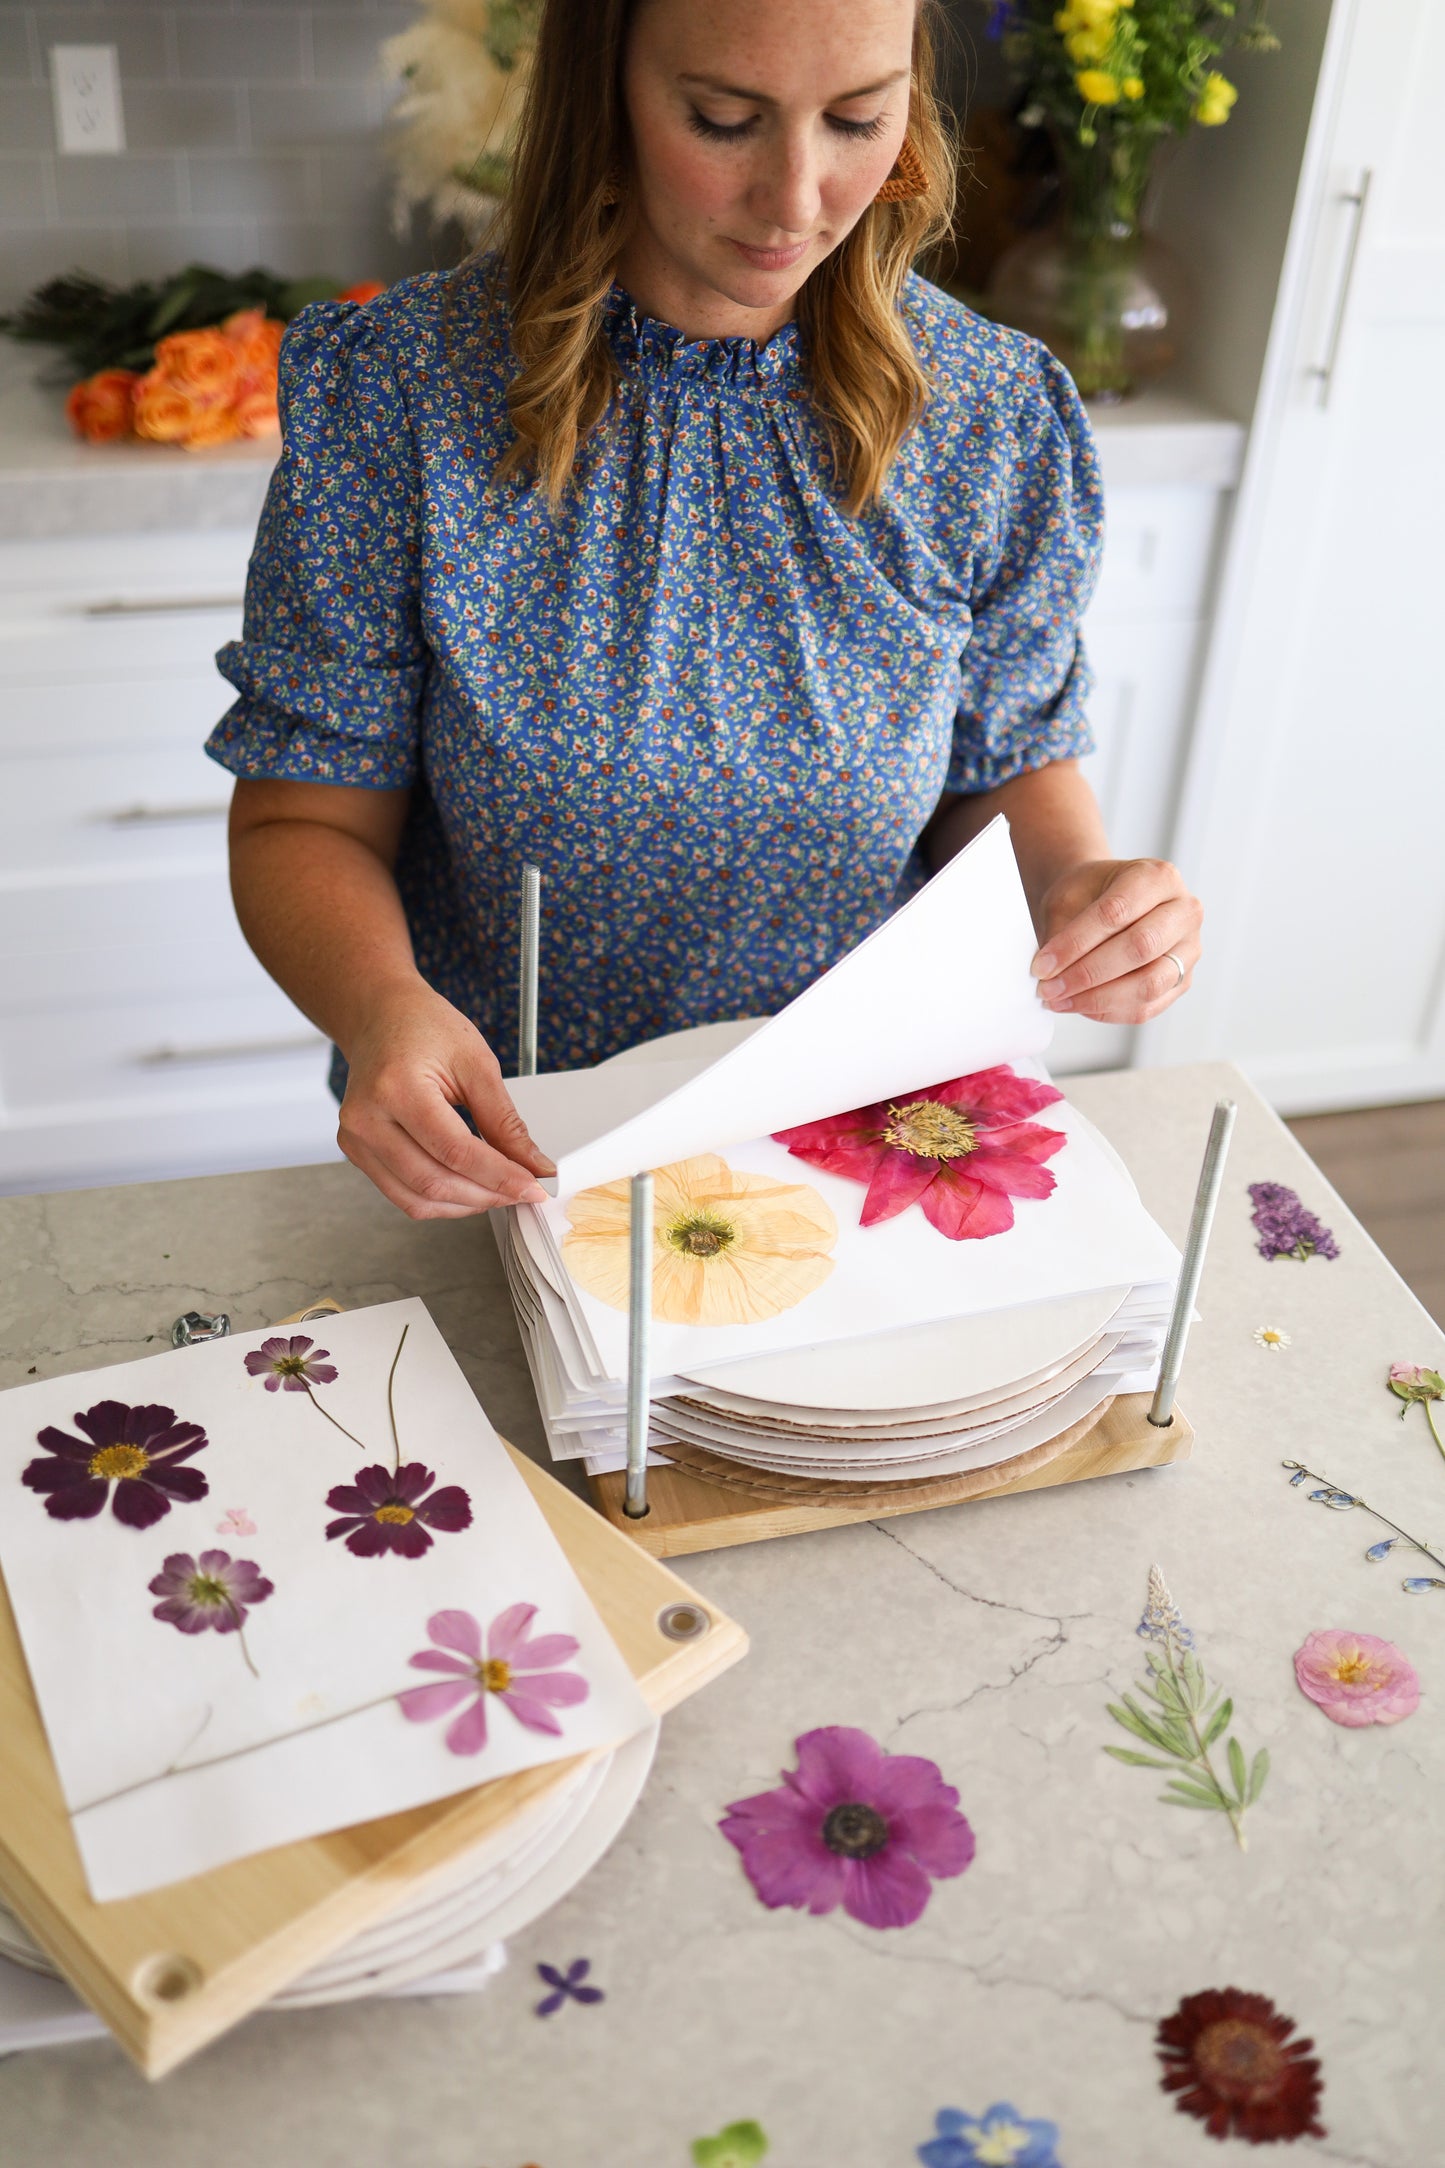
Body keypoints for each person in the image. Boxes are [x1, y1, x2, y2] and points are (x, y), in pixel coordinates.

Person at [208, 0, 1202, 1223]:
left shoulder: (988, 416)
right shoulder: (401, 398)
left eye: (856, 118)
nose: (796, 200)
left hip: (863, 1137)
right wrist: (379, 1009)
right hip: (504, 1146)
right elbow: (302, 819)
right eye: (723, 120)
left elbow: (1004, 763)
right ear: (603, 89)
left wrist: (1080, 887)